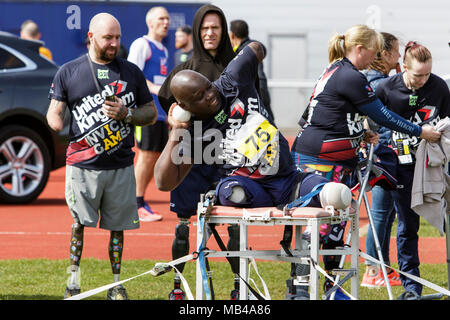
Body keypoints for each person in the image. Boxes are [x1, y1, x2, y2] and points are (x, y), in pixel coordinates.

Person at [155, 40, 346, 301]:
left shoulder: (231, 81)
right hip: (247, 188)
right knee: (230, 192)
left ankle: (302, 280)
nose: (210, 95)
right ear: (186, 108)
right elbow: (163, 182)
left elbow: (255, 48)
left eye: (207, 88)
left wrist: (249, 58)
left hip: (289, 180)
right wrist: (178, 129)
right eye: (198, 97)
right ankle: (278, 282)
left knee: (337, 195)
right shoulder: (196, 131)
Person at [290, 25, 441, 300]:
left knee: (335, 226)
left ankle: (329, 289)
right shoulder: (349, 75)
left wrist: (358, 132)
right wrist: (420, 131)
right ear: (360, 49)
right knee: (315, 226)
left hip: (332, 159)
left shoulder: (336, 70)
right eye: (372, 51)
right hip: (319, 161)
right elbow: (383, 115)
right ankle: (300, 291)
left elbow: (321, 114)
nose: (376, 57)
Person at [46, 13, 157, 299]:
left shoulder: (131, 72)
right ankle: (73, 283)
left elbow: (150, 113)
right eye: (108, 38)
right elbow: (55, 111)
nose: (114, 43)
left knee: (118, 228)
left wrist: (127, 113)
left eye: (118, 37)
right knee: (78, 224)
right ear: (91, 37)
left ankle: (116, 285)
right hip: (82, 165)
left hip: (120, 164)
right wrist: (54, 120)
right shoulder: (69, 71)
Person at [157, 4, 236, 300]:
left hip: (228, 158)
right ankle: (178, 288)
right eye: (204, 28)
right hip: (191, 156)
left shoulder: (236, 68)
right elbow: (168, 105)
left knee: (234, 227)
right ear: (197, 32)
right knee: (182, 225)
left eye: (215, 27)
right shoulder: (184, 70)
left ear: (224, 31)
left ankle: (238, 287)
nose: (209, 33)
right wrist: (175, 122)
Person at [375, 41, 449, 300]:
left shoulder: (439, 87)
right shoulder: (385, 87)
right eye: (418, 75)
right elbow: (371, 122)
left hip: (431, 165)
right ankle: (411, 287)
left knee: (441, 220)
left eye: (427, 74)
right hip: (399, 166)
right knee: (407, 225)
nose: (423, 80)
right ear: (403, 67)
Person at [360, 32, 402, 288]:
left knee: (386, 214)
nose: (398, 56)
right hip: (381, 153)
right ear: (385, 54)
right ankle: (373, 271)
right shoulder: (378, 83)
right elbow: (383, 122)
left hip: (382, 152)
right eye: (396, 51)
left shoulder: (379, 79)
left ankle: (382, 267)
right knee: (380, 213)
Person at [128, 6, 170, 222]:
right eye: (161, 19)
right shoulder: (141, 45)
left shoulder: (163, 49)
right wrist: (152, 88)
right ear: (150, 22)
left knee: (154, 157)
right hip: (145, 112)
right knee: (145, 156)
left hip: (161, 113)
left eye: (168, 19)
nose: (166, 22)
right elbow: (133, 74)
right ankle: (135, 203)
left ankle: (139, 201)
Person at [229, 19, 274, 121]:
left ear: (231, 35)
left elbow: (259, 76)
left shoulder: (246, 54)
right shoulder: (248, 49)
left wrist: (262, 100)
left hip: (256, 105)